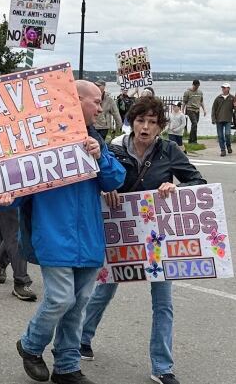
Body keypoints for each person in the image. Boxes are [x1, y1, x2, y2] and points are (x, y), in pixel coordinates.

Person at [3, 80, 126, 384]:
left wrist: (101, 157)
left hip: (90, 238)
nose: (100, 108)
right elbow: (20, 188)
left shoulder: (95, 141)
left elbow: (115, 180)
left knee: (79, 303)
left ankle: (67, 365)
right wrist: (6, 197)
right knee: (60, 299)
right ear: (76, 100)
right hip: (54, 237)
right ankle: (30, 345)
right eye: (95, 101)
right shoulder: (43, 143)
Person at [81, 96, 205, 384]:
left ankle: (162, 367)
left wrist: (173, 188)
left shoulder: (169, 151)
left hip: (157, 237)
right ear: (132, 122)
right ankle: (82, 339)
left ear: (161, 126)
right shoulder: (113, 148)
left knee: (163, 302)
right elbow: (94, 178)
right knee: (104, 290)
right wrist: (105, 189)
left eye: (152, 122)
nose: (145, 127)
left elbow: (197, 181)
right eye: (140, 120)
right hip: (121, 233)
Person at [0, 205, 36, 302]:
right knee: (15, 229)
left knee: (30, 223)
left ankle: (0, 257)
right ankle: (21, 281)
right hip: (10, 193)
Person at [211, 83, 235, 156]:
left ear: (228, 89)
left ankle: (228, 146)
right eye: (223, 88)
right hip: (219, 120)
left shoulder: (232, 98)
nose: (224, 89)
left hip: (228, 120)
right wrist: (213, 119)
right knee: (220, 136)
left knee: (227, 135)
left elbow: (235, 109)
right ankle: (223, 150)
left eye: (225, 88)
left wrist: (235, 105)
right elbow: (213, 109)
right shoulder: (218, 98)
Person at [181, 79, 205, 144]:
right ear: (193, 85)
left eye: (198, 86)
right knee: (194, 123)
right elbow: (184, 102)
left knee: (194, 125)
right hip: (190, 109)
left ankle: (190, 140)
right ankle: (194, 140)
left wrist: (204, 110)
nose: (196, 87)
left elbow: (201, 101)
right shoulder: (187, 92)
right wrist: (182, 111)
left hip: (197, 110)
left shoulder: (200, 92)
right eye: (195, 86)